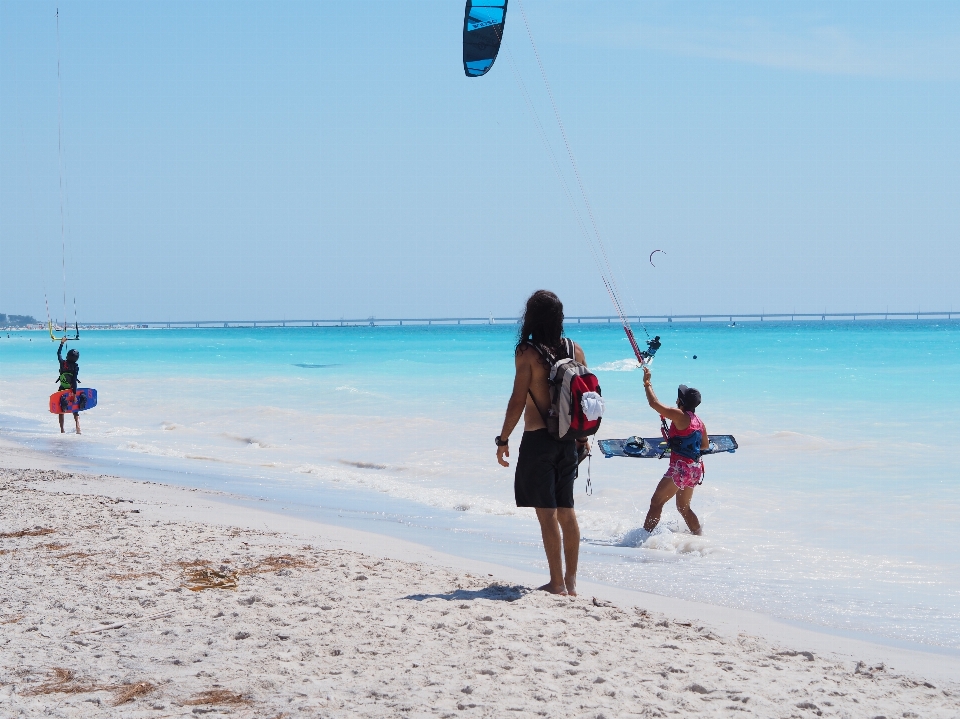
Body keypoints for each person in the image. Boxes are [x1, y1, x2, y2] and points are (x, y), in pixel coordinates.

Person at [496, 290, 589, 596]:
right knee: (567, 509)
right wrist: (583, 438)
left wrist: (503, 438)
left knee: (546, 512)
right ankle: (572, 582)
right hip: (569, 441)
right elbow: (585, 400)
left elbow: (518, 399)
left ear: (531, 317)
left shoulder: (527, 352)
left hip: (539, 439)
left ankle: (556, 582)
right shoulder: (575, 350)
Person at [640, 365, 707, 536]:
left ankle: (641, 540)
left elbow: (654, 404)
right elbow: (704, 446)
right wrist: (683, 444)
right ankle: (699, 538)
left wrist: (647, 383)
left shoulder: (679, 415)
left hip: (680, 469)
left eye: (679, 398)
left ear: (681, 402)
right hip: (695, 469)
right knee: (684, 508)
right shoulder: (698, 421)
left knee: (656, 503)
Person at [56, 339, 81, 434]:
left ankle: (62, 429)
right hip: (71, 389)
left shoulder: (62, 363)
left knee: (60, 409)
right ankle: (78, 427)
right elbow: (74, 381)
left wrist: (62, 343)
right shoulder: (75, 367)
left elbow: (58, 353)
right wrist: (74, 394)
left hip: (62, 388)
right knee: (75, 408)